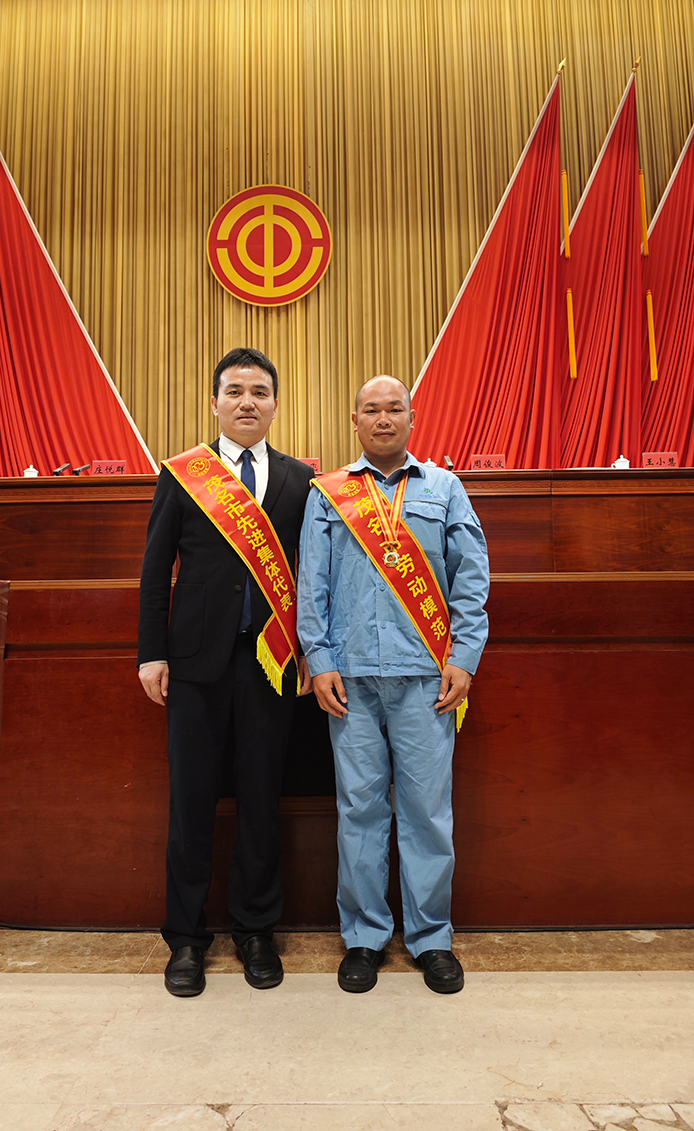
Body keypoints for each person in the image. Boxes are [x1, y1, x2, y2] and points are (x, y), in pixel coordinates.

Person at [297, 375, 489, 995]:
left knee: (427, 812)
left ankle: (432, 938)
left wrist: (465, 656)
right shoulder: (329, 494)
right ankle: (364, 936)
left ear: (412, 417)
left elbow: (471, 578)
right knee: (359, 809)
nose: (383, 418)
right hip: (350, 677)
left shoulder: (444, 488)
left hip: (427, 679)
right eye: (371, 410)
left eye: (394, 409)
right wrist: (319, 658)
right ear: (355, 420)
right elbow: (312, 583)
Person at [138, 347, 313, 997]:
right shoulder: (184, 475)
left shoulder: (301, 479)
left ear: (275, 405)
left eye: (259, 392)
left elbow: (312, 575)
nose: (247, 402)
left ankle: (256, 931)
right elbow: (156, 570)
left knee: (261, 801)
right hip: (194, 665)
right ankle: (185, 940)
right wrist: (151, 652)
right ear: (214, 402)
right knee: (191, 804)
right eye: (235, 391)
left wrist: (311, 652)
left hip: (272, 662)